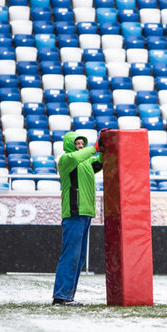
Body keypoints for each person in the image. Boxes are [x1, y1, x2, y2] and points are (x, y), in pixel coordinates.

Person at [52, 131, 104, 306]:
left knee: (78, 257)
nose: (80, 146)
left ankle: (67, 296)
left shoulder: (86, 162)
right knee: (71, 256)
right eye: (77, 144)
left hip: (85, 213)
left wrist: (105, 148)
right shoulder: (66, 160)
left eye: (82, 144)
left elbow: (101, 162)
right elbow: (79, 157)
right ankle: (61, 296)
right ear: (69, 145)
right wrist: (95, 147)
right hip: (74, 213)